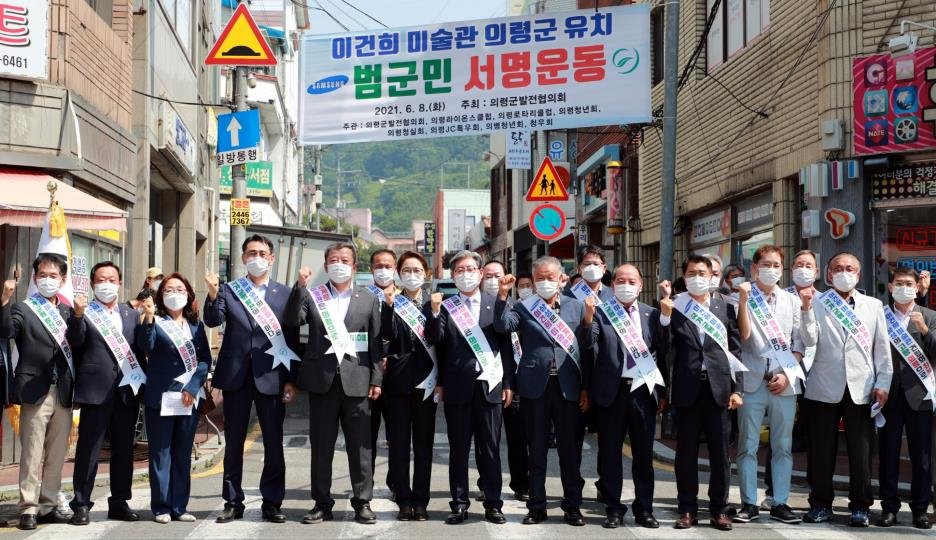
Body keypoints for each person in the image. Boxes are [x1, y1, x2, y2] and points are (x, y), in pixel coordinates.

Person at [204, 235, 300, 524]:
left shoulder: (284, 293)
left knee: (273, 441)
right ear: (243, 258)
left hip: (272, 375)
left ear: (271, 258)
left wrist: (291, 379)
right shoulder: (230, 290)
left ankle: (272, 501)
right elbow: (212, 320)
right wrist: (211, 294)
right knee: (233, 442)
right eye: (251, 253)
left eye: (262, 252)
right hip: (237, 376)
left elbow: (292, 337)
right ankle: (233, 501)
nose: (257, 257)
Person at [285, 242, 382, 525]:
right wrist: (299, 287)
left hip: (358, 380)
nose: (339, 264)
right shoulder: (313, 295)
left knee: (361, 446)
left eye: (345, 260)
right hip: (322, 382)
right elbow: (292, 320)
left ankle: (362, 502)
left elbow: (375, 343)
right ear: (326, 265)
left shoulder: (368, 298)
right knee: (322, 447)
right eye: (333, 260)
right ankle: (322, 503)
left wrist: (376, 378)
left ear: (354, 266)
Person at [495, 256, 588, 527]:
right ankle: (536, 506)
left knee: (570, 451)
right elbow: (503, 326)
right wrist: (503, 295)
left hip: (568, 388)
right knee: (535, 451)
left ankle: (572, 506)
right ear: (534, 282)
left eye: (551, 277)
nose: (546, 282)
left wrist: (585, 388)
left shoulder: (577, 306)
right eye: (540, 278)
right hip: (535, 387)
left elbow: (586, 349)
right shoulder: (524, 307)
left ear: (562, 279)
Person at [801, 252, 892, 527]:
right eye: (838, 268)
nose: (844, 272)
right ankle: (820, 504)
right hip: (823, 385)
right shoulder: (815, 302)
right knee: (821, 451)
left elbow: (882, 349)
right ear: (828, 275)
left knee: (861, 451)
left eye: (850, 268)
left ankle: (861, 506)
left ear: (859, 274)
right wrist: (805, 310)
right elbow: (808, 340)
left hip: (861, 387)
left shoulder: (873, 305)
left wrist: (883, 383)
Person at [425, 250, 513, 525]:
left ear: (480, 272)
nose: (465, 274)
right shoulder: (444, 305)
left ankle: (493, 503)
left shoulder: (496, 302)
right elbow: (435, 341)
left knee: (490, 448)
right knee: (459, 448)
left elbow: (507, 346)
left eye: (470, 269)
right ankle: (459, 503)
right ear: (453, 276)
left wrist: (508, 382)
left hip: (490, 385)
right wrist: (436, 312)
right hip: (457, 387)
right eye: (460, 270)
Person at [659, 254, 743, 531]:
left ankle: (719, 509)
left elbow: (734, 350)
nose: (698, 278)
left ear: (711, 277)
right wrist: (665, 316)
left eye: (702, 273)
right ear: (684, 276)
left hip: (719, 389)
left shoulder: (723, 306)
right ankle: (686, 508)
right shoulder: (677, 307)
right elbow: (665, 347)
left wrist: (737, 388)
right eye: (692, 273)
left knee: (721, 455)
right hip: (687, 389)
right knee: (686, 454)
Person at [1, 254, 85, 530]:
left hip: (63, 390)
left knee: (57, 453)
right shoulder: (23, 309)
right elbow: (5, 331)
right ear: (35, 278)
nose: (48, 279)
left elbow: (77, 341)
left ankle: (48, 504)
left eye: (54, 275)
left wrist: (78, 316)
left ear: (62, 279)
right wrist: (4, 300)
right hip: (35, 390)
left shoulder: (67, 310)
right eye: (43, 275)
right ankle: (28, 508)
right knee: (32, 453)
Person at [733, 245, 814, 525]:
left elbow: (799, 342)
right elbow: (743, 337)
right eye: (766, 264)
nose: (772, 270)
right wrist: (743, 302)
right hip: (753, 382)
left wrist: (788, 374)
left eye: (777, 265)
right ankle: (748, 503)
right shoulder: (741, 297)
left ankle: (780, 501)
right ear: (754, 268)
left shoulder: (792, 301)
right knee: (748, 445)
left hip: (784, 383)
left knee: (782, 446)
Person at [583, 264, 668, 529]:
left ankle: (644, 509)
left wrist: (663, 392)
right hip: (612, 393)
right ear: (612, 284)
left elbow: (665, 352)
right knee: (610, 454)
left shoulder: (652, 314)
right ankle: (613, 508)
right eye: (620, 280)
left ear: (641, 286)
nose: (626, 284)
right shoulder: (601, 313)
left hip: (643, 391)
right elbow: (588, 345)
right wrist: (587, 319)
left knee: (644, 455)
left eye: (632, 281)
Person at [69, 262, 147, 525]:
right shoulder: (84, 311)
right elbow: (76, 342)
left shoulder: (130, 314)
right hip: (95, 390)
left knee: (124, 449)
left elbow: (139, 350)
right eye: (101, 279)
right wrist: (77, 317)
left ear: (120, 282)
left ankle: (120, 502)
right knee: (89, 449)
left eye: (112, 279)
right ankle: (81, 503)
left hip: (126, 391)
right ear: (93, 284)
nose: (107, 284)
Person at [136, 273, 211, 523]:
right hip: (161, 397)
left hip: (188, 398)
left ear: (188, 294)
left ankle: (180, 506)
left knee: (182, 452)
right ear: (161, 295)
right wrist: (147, 318)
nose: (174, 293)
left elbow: (204, 361)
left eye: (180, 288)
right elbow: (146, 347)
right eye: (169, 289)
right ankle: (161, 507)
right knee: (161, 453)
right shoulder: (154, 321)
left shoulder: (196, 326)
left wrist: (192, 387)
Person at [878, 267, 936, 529]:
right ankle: (889, 508)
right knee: (888, 453)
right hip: (888, 394)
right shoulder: (880, 315)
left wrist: (925, 331)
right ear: (890, 287)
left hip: (919, 395)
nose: (904, 287)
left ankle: (920, 509)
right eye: (899, 283)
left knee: (921, 456)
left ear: (917, 287)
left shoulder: (929, 316)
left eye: (909, 283)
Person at [381, 251, 437, 521]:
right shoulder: (392, 302)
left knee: (424, 445)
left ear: (426, 273)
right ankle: (403, 499)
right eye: (406, 270)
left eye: (417, 270)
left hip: (428, 384)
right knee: (400, 445)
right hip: (398, 385)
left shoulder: (435, 303)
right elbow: (386, 337)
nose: (412, 275)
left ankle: (421, 500)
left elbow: (442, 344)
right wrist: (389, 307)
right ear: (399, 274)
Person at [480, 260, 529, 503]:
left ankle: (520, 483)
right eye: (488, 275)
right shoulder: (473, 308)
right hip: (489, 381)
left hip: (516, 382)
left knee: (518, 437)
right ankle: (485, 483)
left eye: (497, 275)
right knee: (487, 438)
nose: (493, 280)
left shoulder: (519, 307)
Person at [367, 249, 396, 500]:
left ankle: (396, 484)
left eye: (388, 265)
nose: (383, 269)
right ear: (371, 268)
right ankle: (365, 487)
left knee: (397, 436)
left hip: (398, 377)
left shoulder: (406, 297)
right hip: (368, 377)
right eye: (379, 265)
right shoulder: (362, 296)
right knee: (367, 435)